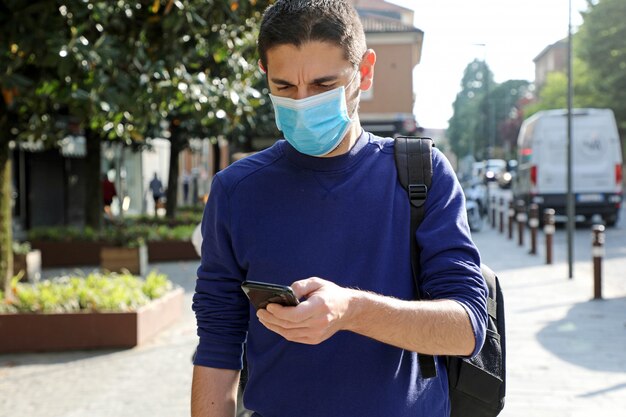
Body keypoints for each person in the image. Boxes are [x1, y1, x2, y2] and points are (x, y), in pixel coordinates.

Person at [191, 1, 487, 416]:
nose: (302, 102)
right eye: (284, 88)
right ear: (265, 76)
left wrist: (351, 310)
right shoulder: (236, 190)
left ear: (364, 71)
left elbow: (468, 328)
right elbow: (218, 343)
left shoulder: (421, 174)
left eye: (323, 84)